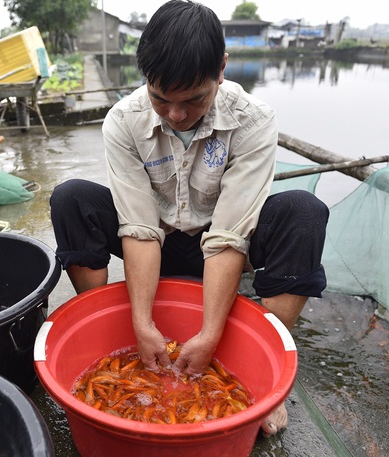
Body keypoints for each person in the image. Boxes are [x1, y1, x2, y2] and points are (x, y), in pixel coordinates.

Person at [50, 0, 328, 437]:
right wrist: (141, 324)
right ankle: (104, 323)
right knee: (71, 198)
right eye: (161, 99)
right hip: (155, 239)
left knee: (303, 212)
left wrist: (210, 333)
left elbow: (229, 236)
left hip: (222, 244)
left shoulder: (254, 120)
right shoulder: (123, 121)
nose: (176, 114)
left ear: (221, 68)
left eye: (194, 99)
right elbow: (139, 227)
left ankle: (272, 379)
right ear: (145, 79)